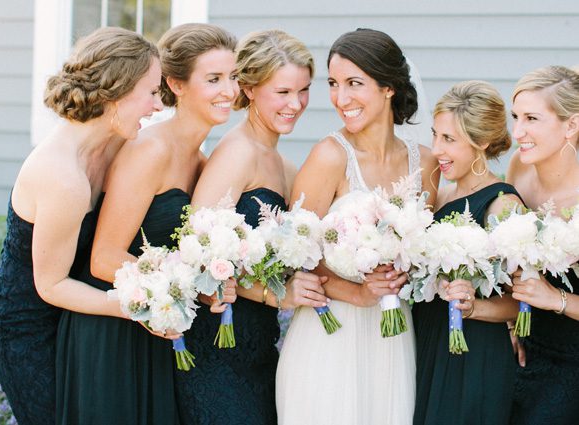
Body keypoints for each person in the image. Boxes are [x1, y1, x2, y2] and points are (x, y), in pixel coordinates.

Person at [54, 23, 239, 425]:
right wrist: (179, 290)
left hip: (154, 325)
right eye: (214, 79)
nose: (230, 90)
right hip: (109, 332)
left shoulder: (202, 161)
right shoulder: (149, 149)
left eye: (234, 77)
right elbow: (103, 258)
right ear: (177, 83)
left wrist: (208, 286)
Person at [0, 27, 161, 425]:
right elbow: (51, 285)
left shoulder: (114, 144)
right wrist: (142, 307)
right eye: (151, 92)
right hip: (22, 328)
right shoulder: (62, 178)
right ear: (117, 93)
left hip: (70, 317)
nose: (157, 104)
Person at [276, 28, 438, 425]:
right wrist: (358, 293)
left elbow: (424, 256)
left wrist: (406, 272)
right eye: (333, 84)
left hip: (394, 340)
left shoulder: (427, 163)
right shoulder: (330, 157)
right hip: (328, 337)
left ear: (388, 88)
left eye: (354, 83)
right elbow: (294, 258)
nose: (340, 98)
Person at [173, 29, 326, 425]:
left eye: (304, 90)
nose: (296, 104)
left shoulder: (282, 163)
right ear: (250, 89)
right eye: (283, 92)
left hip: (259, 344)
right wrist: (274, 295)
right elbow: (195, 258)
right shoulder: (236, 154)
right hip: (219, 348)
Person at [412, 80, 522, 425]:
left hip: (474, 354)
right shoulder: (439, 196)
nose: (437, 149)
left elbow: (522, 302)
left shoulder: (503, 205)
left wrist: (475, 306)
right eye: (435, 136)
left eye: (449, 140)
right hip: (429, 339)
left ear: (482, 142)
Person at [507, 65, 579, 425]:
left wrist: (556, 299)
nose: (518, 132)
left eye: (532, 118)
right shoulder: (519, 170)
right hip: (524, 348)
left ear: (571, 125)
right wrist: (513, 325)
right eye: (516, 117)